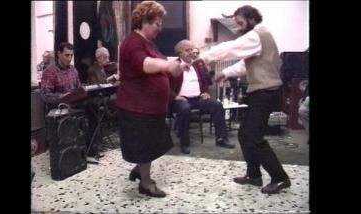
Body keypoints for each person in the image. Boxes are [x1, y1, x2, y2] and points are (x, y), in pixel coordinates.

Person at [200, 5, 291, 194]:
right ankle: (254, 175)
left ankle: (280, 178)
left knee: (253, 136)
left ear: (251, 18)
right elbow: (244, 64)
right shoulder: (260, 36)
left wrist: (203, 57)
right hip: (262, 92)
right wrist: (224, 73)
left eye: (240, 23)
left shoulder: (256, 34)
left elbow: (231, 48)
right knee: (244, 134)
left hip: (265, 93)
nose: (239, 27)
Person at [115, 1, 188, 198]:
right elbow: (144, 64)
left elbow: (162, 62)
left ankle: (140, 170)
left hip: (151, 107)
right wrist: (167, 66)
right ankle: (145, 184)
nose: (160, 27)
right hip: (137, 107)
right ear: (144, 22)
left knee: (153, 144)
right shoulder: (132, 43)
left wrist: (177, 66)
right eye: (157, 23)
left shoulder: (149, 44)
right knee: (146, 147)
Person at [40, 42, 101, 163]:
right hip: (59, 108)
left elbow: (78, 88)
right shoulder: (50, 72)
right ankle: (88, 150)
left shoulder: (73, 70)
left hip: (75, 104)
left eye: (71, 55)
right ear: (59, 54)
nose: (69, 58)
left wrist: (84, 91)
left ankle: (90, 148)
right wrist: (63, 96)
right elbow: (45, 96)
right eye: (66, 55)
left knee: (94, 105)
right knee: (90, 108)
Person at [170, 40, 235, 154]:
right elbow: (165, 85)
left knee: (217, 105)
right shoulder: (174, 66)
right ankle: (184, 143)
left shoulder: (197, 65)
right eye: (187, 50)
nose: (191, 52)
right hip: (182, 100)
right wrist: (175, 96)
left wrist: (205, 92)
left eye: (192, 50)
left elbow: (204, 82)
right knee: (184, 108)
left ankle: (221, 139)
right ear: (179, 53)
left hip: (198, 99)